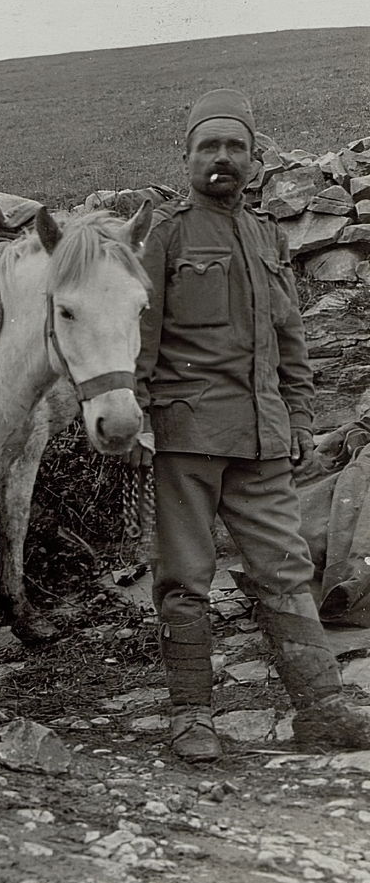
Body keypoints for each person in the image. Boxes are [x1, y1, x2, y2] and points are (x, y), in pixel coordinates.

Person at [134, 88, 370, 761]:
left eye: (235, 147)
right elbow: (139, 340)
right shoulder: (166, 232)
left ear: (255, 158)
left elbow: (290, 339)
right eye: (209, 147)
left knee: (285, 568)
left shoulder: (267, 234)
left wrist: (298, 416)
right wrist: (137, 425)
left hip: (265, 439)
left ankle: (321, 709)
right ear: (187, 157)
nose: (223, 159)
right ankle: (192, 717)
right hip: (186, 437)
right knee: (185, 574)